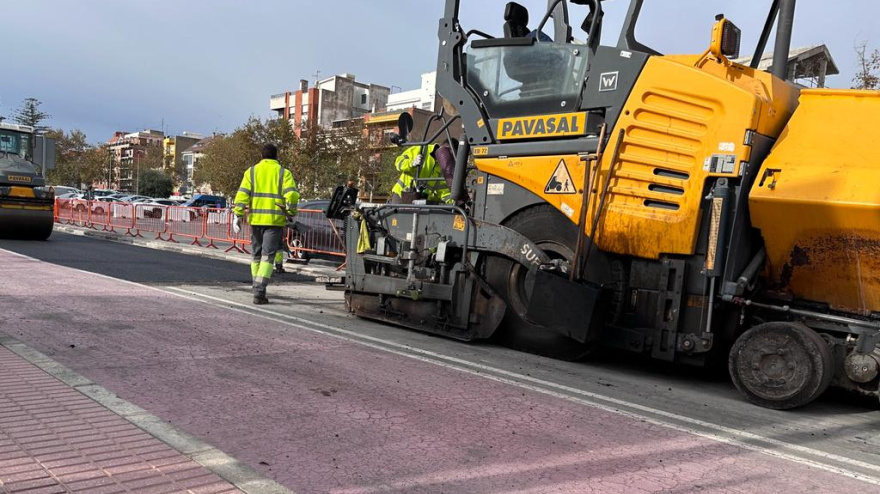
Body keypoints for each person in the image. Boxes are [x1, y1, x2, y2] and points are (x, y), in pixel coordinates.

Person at [232, 143, 299, 304]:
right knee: (267, 257)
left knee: (256, 256)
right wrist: (291, 212)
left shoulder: (252, 172)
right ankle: (259, 291)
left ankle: (256, 286)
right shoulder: (283, 173)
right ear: (276, 156)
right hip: (274, 222)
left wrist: (238, 215)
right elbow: (292, 195)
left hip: (256, 221)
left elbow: (242, 195)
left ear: (261, 156)